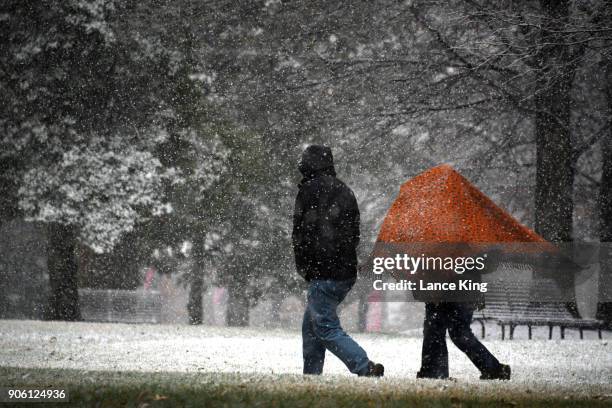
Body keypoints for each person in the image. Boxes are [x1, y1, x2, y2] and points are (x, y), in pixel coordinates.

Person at [292, 145, 384, 377]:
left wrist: (306, 266)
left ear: (310, 164)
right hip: (343, 270)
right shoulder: (344, 190)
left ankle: (364, 367)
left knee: (324, 327)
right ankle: (311, 375)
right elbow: (354, 234)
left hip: (323, 271)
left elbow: (302, 233)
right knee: (311, 327)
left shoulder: (309, 191)